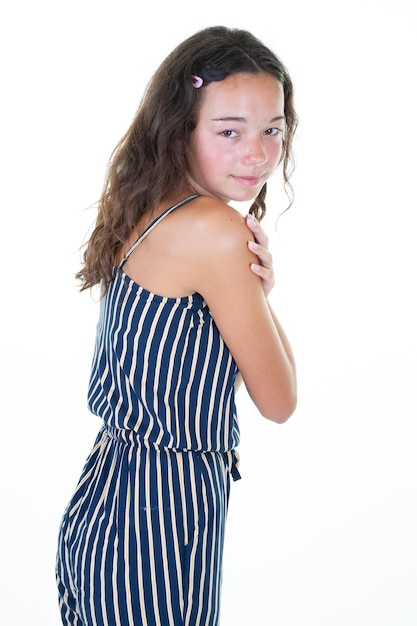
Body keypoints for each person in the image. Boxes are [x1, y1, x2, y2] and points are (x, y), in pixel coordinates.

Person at [56, 25, 298, 626]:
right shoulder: (215, 230)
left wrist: (255, 292)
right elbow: (280, 400)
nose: (258, 153)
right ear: (180, 127)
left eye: (272, 129)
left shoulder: (147, 207)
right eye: (229, 131)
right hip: (158, 526)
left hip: (106, 508)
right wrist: (264, 296)